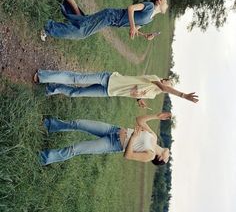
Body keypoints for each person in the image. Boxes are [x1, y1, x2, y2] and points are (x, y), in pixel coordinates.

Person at [40, 112, 171, 166]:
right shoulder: (153, 137)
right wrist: (156, 115)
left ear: (160, 159)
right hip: (114, 130)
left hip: (113, 144)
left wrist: (134, 138)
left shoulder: (149, 155)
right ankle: (50, 124)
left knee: (75, 149)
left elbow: (128, 155)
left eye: (167, 158)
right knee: (78, 123)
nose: (169, 155)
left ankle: (44, 157)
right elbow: (139, 120)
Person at [40, 0, 168, 41]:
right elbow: (131, 9)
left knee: (83, 21)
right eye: (166, 3)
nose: (167, 6)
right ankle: (48, 28)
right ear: (159, 1)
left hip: (110, 21)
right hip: (109, 16)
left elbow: (135, 27)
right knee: (82, 32)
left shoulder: (150, 19)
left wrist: (144, 34)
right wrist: (133, 27)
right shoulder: (149, 6)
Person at [34, 69, 199, 108]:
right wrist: (183, 95)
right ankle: (43, 75)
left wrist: (139, 99)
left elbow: (136, 89)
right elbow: (164, 88)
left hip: (108, 92)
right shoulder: (156, 81)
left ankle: (52, 88)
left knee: (76, 92)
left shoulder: (153, 95)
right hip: (109, 79)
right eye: (170, 82)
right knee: (76, 79)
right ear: (165, 81)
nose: (171, 85)